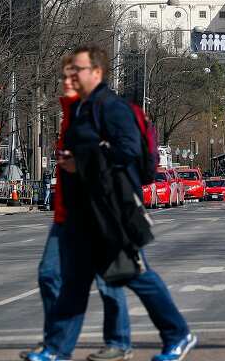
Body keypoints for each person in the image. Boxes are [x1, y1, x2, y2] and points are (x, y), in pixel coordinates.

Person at [27, 46, 195, 361]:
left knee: (135, 275)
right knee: (74, 284)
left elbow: (128, 151)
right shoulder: (82, 109)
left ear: (96, 72)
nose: (71, 75)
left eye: (77, 69)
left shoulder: (112, 108)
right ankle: (57, 350)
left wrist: (81, 162)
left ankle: (177, 333)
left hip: (112, 209)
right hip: (85, 212)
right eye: (69, 71)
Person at [21, 55, 133, 361]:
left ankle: (118, 341)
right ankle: (56, 343)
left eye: (74, 76)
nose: (67, 82)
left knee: (108, 279)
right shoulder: (70, 112)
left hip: (99, 210)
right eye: (66, 77)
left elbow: (122, 155)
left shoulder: (102, 110)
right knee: (49, 275)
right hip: (68, 212)